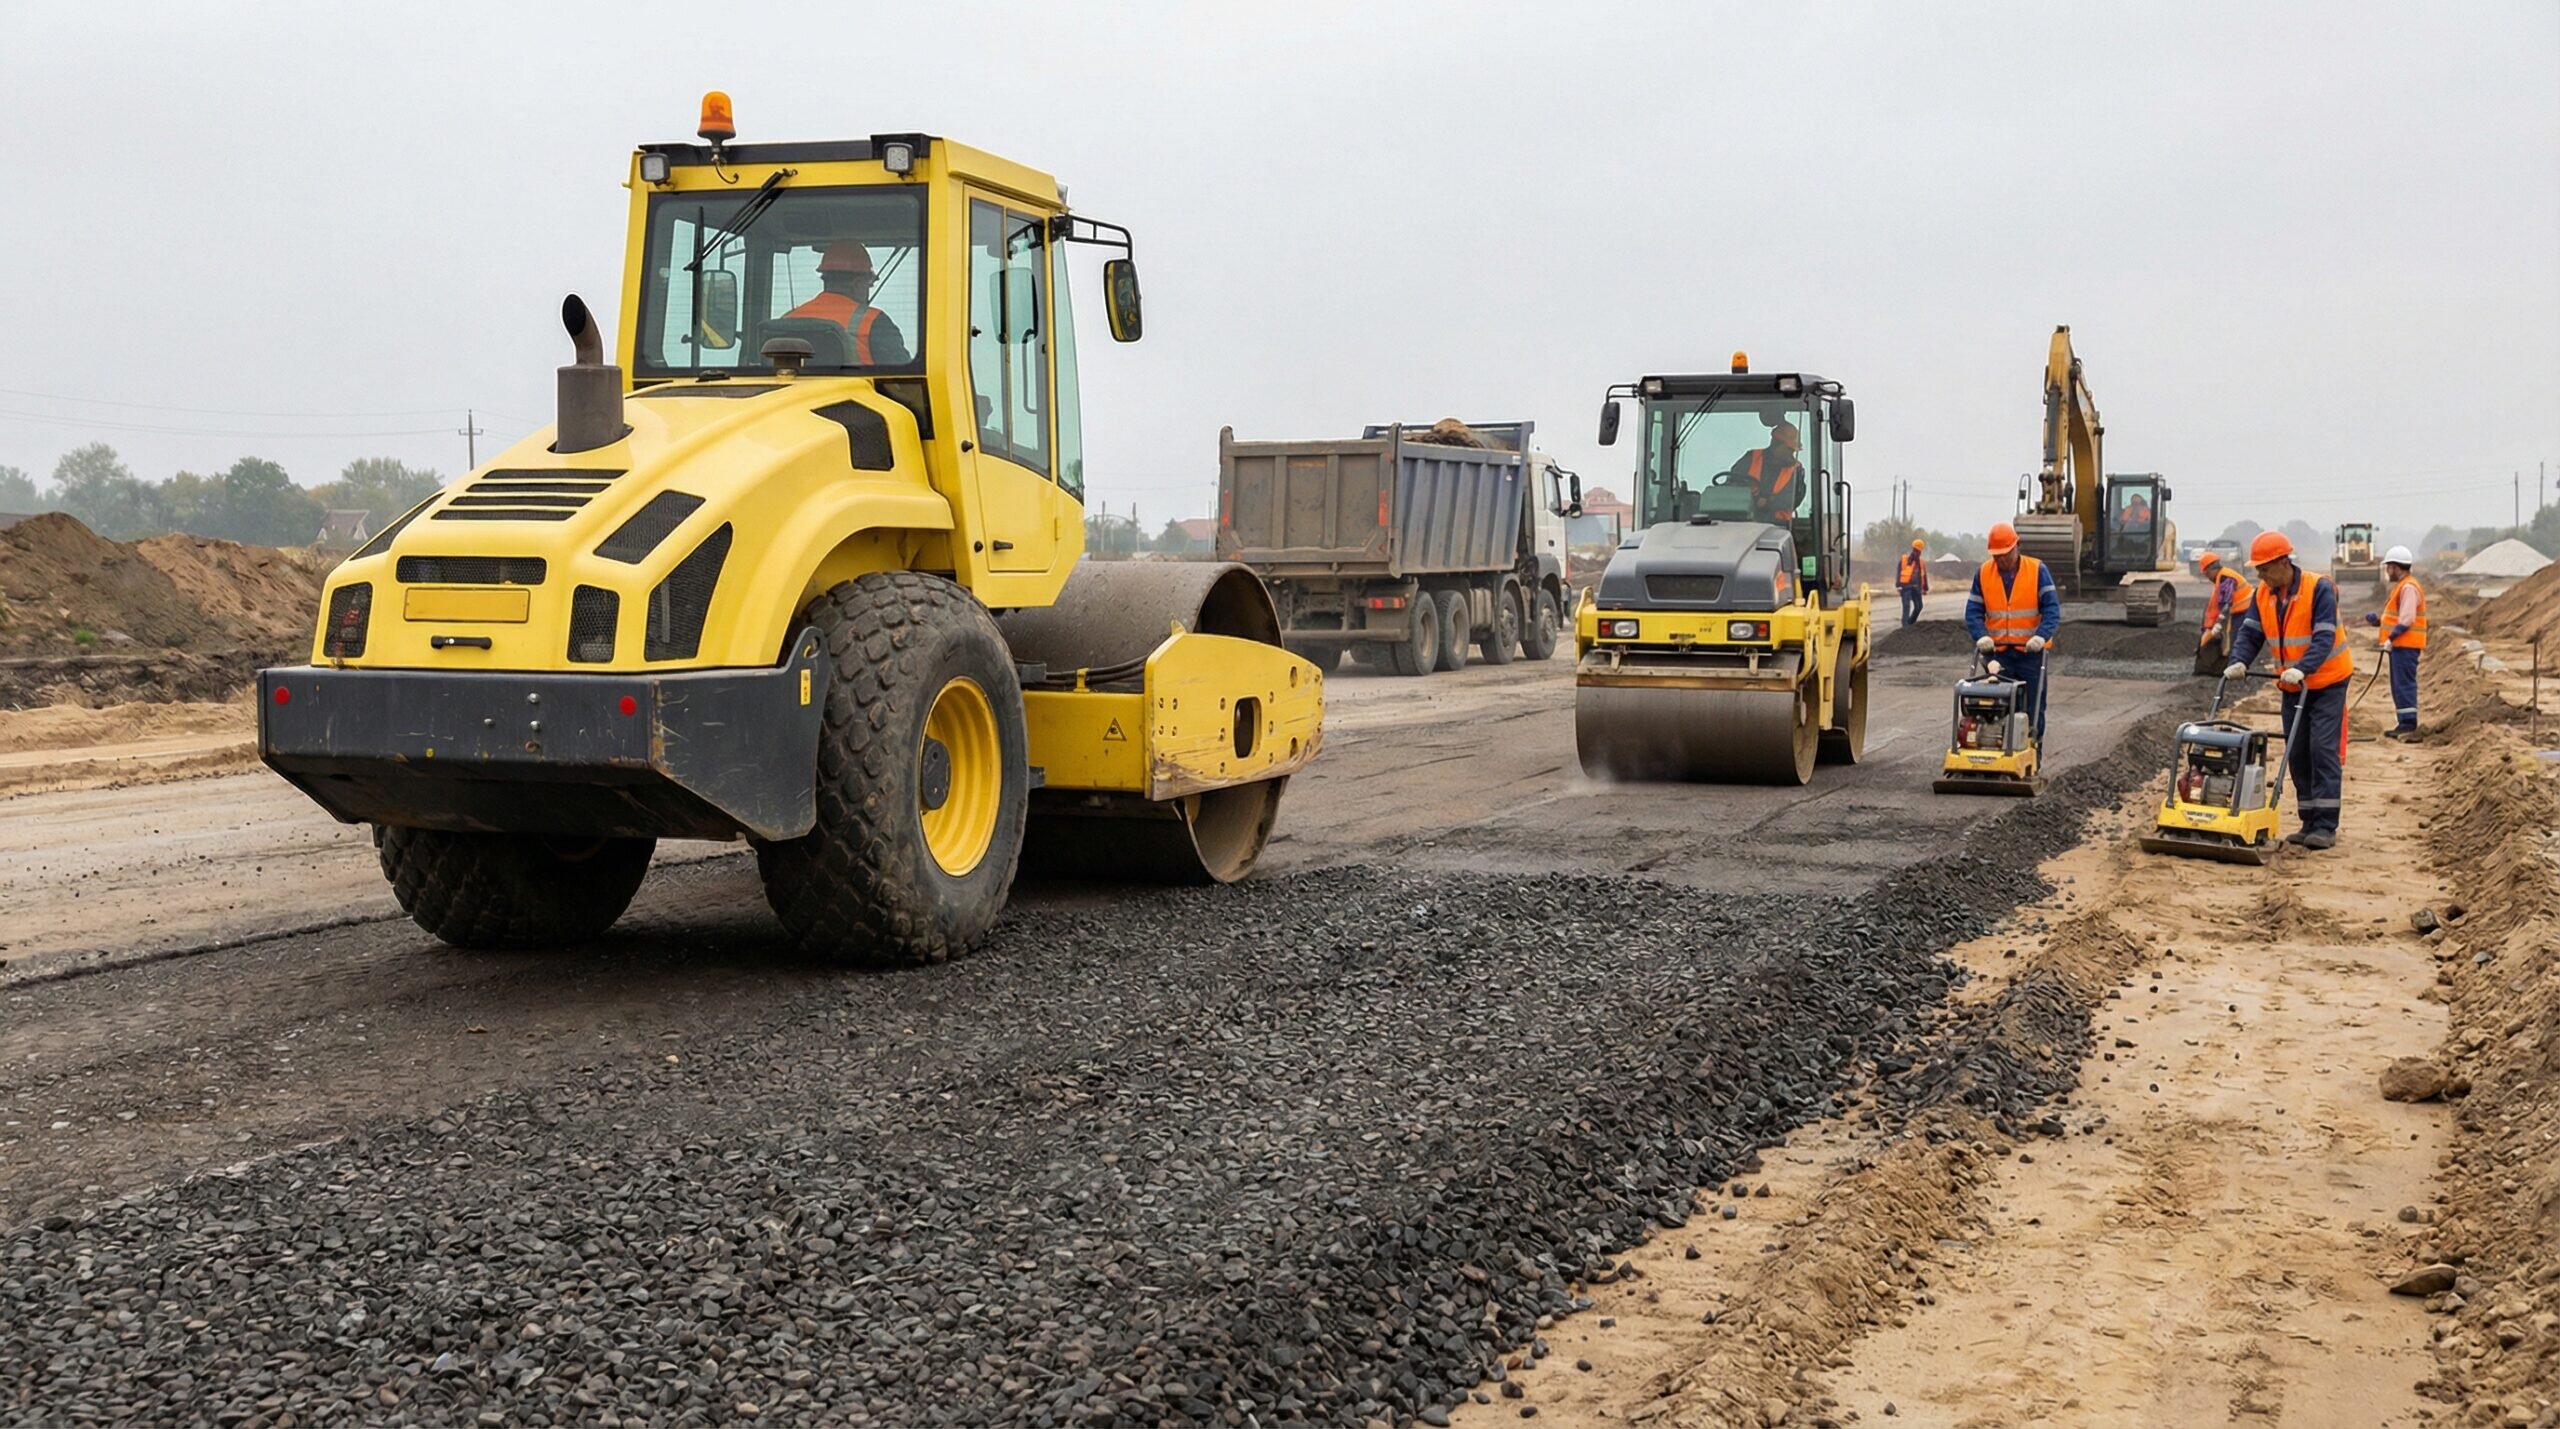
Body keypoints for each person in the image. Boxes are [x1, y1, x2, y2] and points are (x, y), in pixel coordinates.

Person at [2224, 529, 2354, 849]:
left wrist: (2303, 668)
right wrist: (2239, 660)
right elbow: (2251, 633)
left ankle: (2325, 826)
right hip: (2292, 684)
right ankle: (2308, 820)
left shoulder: (2318, 588)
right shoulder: (2262, 594)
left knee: (2321, 749)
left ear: (2283, 562)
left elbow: (2324, 636)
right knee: (2296, 752)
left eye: (2265, 569)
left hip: (2327, 680)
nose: (2261, 575)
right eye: (2258, 570)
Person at [1965, 521, 2062, 742]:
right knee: (1997, 705)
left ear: (2016, 547)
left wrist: (2041, 636)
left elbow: (2051, 608)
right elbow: (1973, 610)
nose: (2001, 560)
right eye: (1996, 555)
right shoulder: (1983, 573)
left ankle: (2032, 756)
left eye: (2005, 554)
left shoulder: (2037, 570)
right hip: (1998, 655)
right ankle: (1996, 748)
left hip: (2031, 654)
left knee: (2033, 709)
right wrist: (1981, 636)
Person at [781, 241, 911, 365]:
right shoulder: (874, 322)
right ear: (857, 284)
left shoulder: (786, 320)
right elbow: (904, 377)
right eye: (869, 285)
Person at [2363, 545, 2427, 739]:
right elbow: (2397, 618)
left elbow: (2407, 619)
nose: (2387, 571)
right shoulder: (2403, 586)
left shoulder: (2408, 587)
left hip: (2405, 645)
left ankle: (2408, 724)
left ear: (2395, 567)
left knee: (2403, 684)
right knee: (2398, 684)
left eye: (2388, 567)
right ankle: (2404, 722)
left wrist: (2391, 638)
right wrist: (2378, 622)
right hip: (2401, 645)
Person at [1729, 421, 1804, 524]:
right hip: (1744, 522)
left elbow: (1793, 498)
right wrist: (1752, 498)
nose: (1791, 455)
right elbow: (1732, 485)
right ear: (1776, 444)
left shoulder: (1795, 469)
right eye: (1789, 450)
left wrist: (1767, 502)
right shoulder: (1751, 458)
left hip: (1779, 526)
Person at [1896, 537, 1930, 627]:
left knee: (1919, 606)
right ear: (1912, 549)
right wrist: (1898, 585)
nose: (1917, 553)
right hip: (1906, 587)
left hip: (1917, 588)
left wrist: (1925, 588)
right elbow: (1898, 572)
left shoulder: (1921, 562)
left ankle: (1910, 622)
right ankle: (1905, 626)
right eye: (1915, 550)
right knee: (1906, 606)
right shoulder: (1904, 560)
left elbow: (1924, 575)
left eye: (1918, 551)